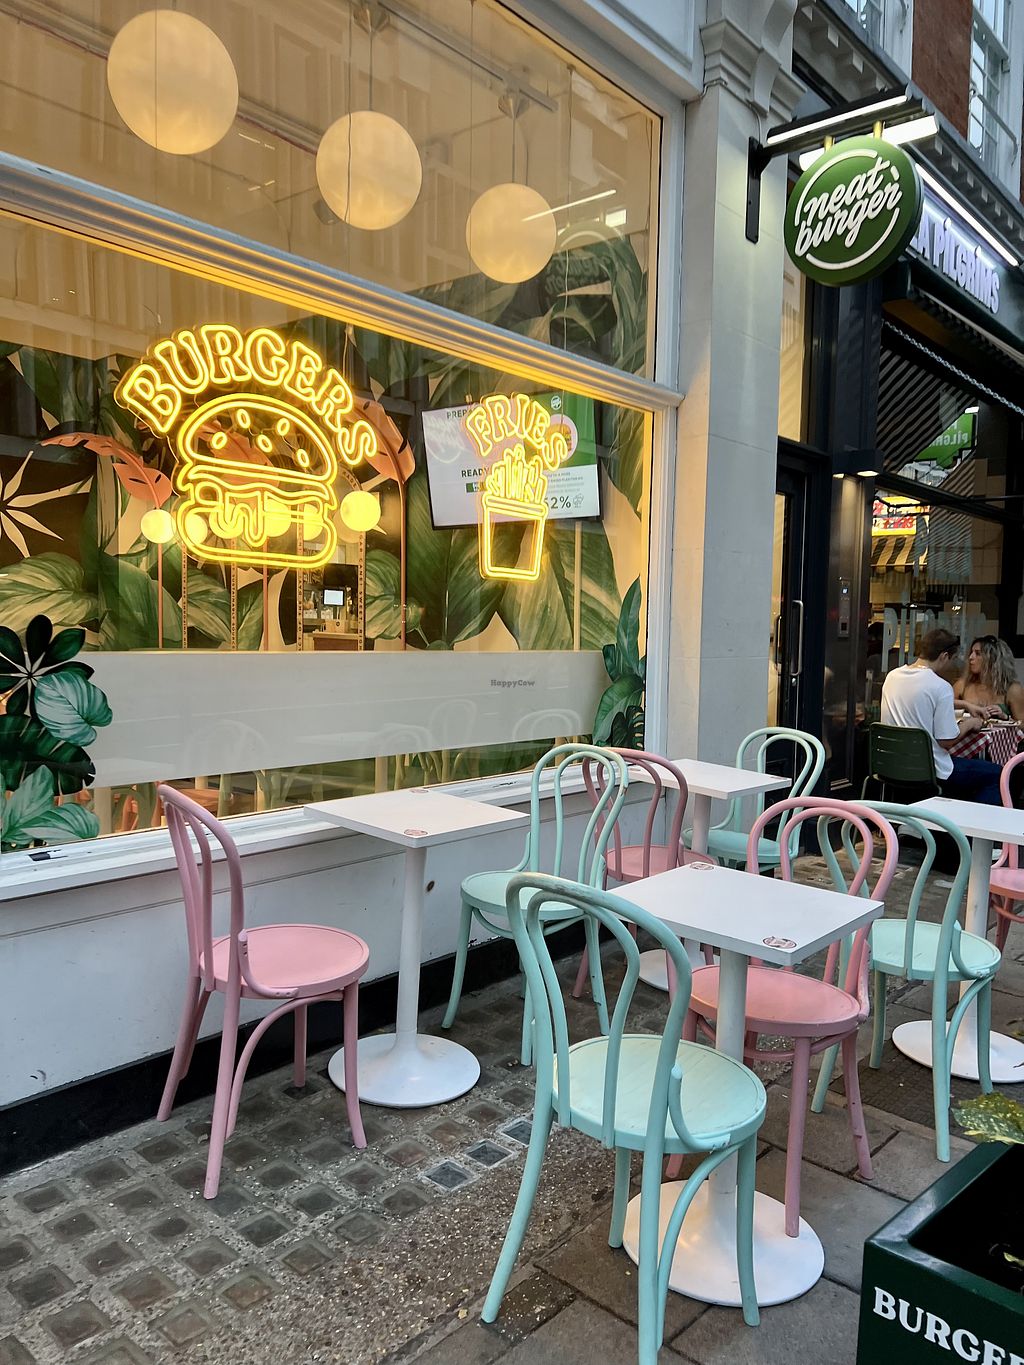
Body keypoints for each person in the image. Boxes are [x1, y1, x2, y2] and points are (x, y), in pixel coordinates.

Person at [880, 627, 1003, 805]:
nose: (951, 665)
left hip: (891, 767)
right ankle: (966, 822)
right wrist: (971, 723)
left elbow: (920, 699)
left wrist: (966, 705)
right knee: (997, 774)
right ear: (944, 656)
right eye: (952, 659)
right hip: (929, 770)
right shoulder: (940, 686)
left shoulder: (892, 676)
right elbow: (946, 741)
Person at [954, 635, 1024, 723]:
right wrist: (965, 705)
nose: (971, 657)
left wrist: (1005, 717)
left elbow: (1022, 724)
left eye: (978, 654)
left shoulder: (1012, 689)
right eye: (971, 652)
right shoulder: (962, 685)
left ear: (993, 659)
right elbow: (944, 705)